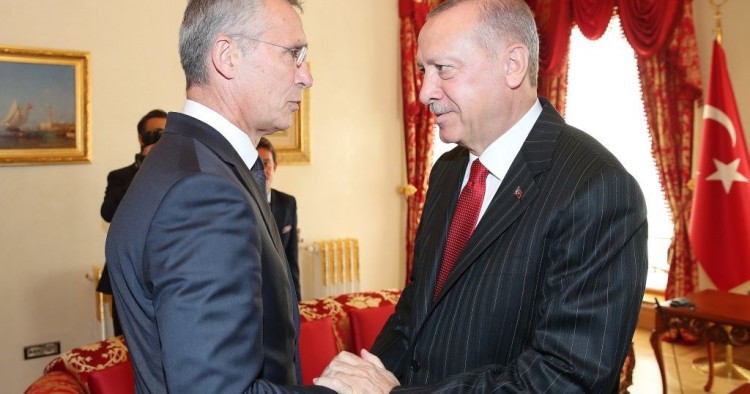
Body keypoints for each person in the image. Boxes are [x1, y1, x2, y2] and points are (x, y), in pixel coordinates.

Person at [315, 0, 648, 392]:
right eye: (423, 70)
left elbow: (564, 378)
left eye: (444, 69)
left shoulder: (597, 189)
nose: (424, 93)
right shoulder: (447, 171)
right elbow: (415, 314)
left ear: (512, 65)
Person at [104, 0, 328, 392]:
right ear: (227, 56)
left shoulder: (183, 162)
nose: (307, 76)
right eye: (295, 54)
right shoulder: (203, 193)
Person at [98, 109, 167, 337]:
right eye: (154, 133)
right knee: (126, 345)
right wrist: (144, 169)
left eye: (165, 133)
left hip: (168, 275)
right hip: (128, 276)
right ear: (141, 138)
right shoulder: (121, 176)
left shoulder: (182, 172)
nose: (159, 137)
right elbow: (108, 213)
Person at [258, 137, 301, 299]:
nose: (262, 171)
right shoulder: (241, 203)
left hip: (280, 295)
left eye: (266, 163)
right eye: (257, 165)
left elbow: (292, 260)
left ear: (275, 167)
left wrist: (297, 302)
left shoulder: (288, 203)